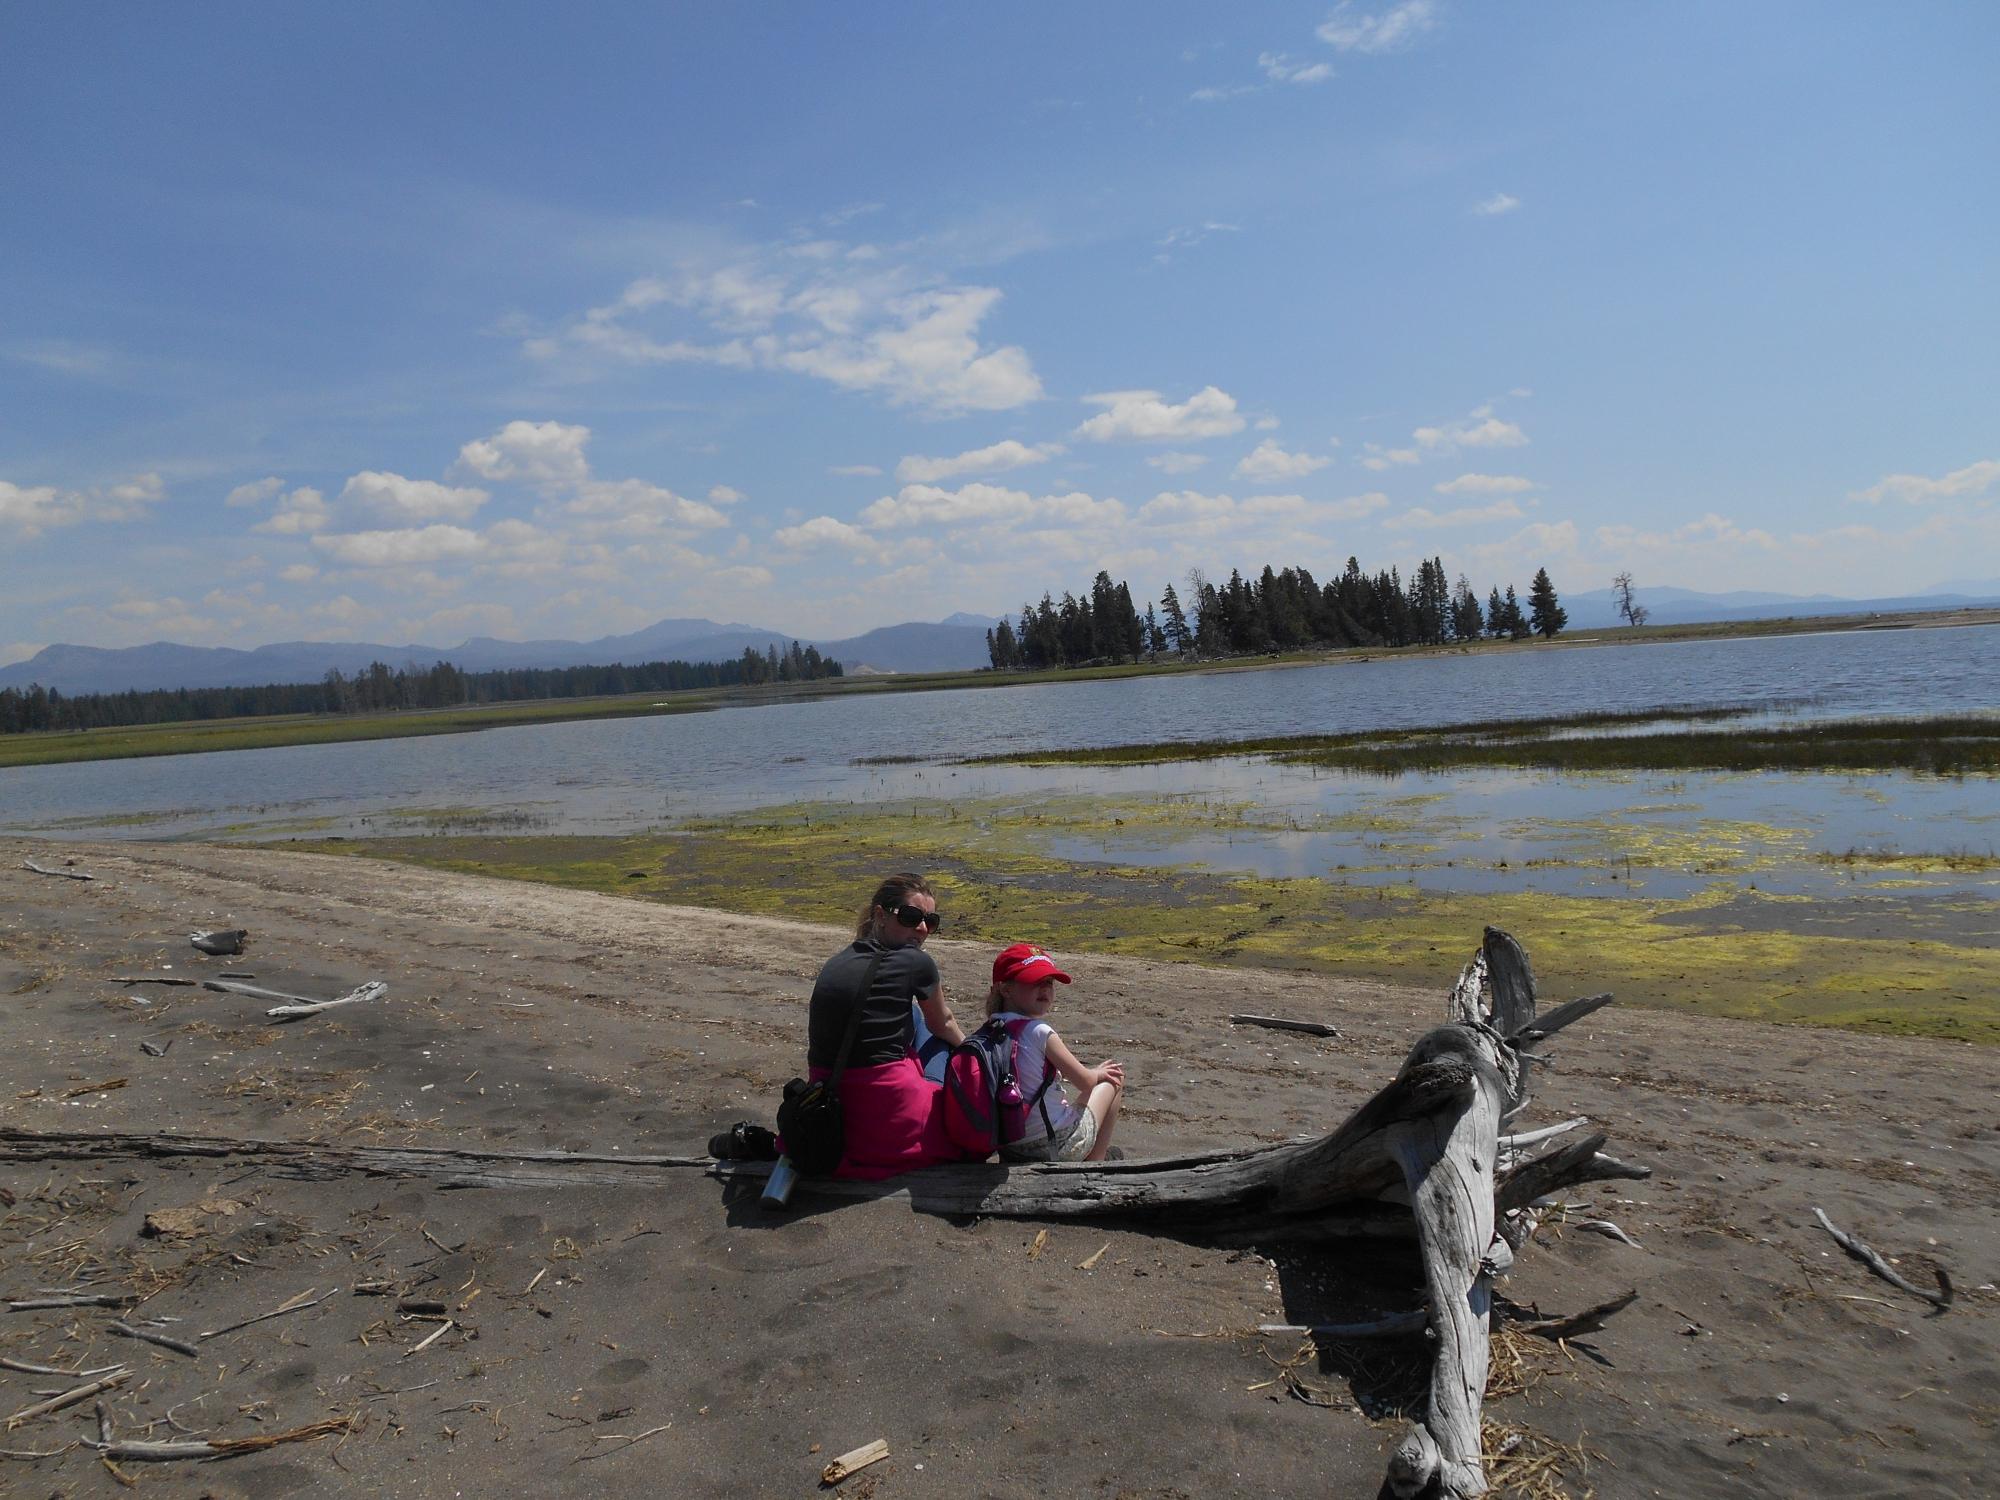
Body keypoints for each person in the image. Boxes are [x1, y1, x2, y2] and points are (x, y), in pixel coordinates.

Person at [802, 873, 968, 1178]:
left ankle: (915, 1074)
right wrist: (974, 1051)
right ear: (880, 915)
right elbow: (944, 1023)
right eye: (910, 916)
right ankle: (931, 1097)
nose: (921, 928)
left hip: (833, 1104)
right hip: (890, 1116)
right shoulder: (917, 962)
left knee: (916, 1016)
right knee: (944, 1038)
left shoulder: (839, 960)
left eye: (930, 921)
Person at [984, 943, 1123, 1163]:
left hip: (1009, 1145)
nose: (1045, 989)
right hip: (1056, 1144)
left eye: (1048, 982)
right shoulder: (1040, 1032)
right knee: (1112, 1079)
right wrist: (1098, 1072)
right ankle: (1095, 1161)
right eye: (1034, 982)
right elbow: (1085, 1081)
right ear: (1005, 989)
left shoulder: (989, 1029)